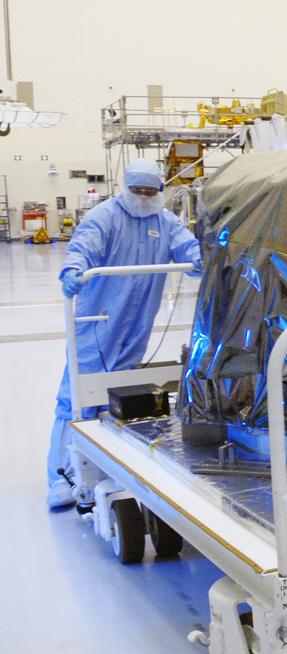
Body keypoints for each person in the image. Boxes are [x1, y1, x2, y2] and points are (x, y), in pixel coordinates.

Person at [46, 158, 202, 508]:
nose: (144, 198)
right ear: (126, 188)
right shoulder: (105, 217)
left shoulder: (167, 223)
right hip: (97, 322)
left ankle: (102, 466)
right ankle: (60, 476)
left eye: (151, 192)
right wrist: (74, 269)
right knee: (76, 397)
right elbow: (83, 247)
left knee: (118, 396)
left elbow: (189, 248)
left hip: (137, 325)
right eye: (138, 191)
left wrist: (202, 257)